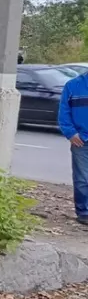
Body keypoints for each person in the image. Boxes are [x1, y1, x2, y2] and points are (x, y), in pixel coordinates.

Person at [58, 71, 88, 225]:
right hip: (81, 140)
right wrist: (71, 133)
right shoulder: (73, 86)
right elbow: (64, 112)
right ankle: (83, 212)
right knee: (82, 179)